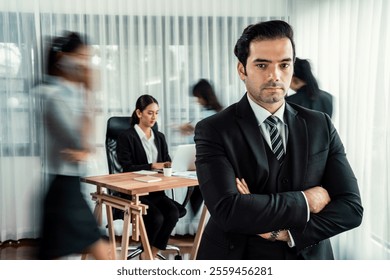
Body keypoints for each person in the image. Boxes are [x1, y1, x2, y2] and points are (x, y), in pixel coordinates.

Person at [194, 20, 363, 260]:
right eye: (262, 65)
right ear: (242, 70)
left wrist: (284, 232)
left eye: (284, 64)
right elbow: (228, 211)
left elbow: (351, 209)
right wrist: (306, 200)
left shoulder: (320, 124)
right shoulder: (213, 129)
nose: (275, 75)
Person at [36, 32, 111, 260]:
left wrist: (85, 149)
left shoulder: (69, 94)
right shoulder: (51, 94)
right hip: (63, 189)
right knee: (104, 254)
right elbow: (81, 141)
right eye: (81, 56)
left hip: (68, 187)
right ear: (62, 57)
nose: (85, 64)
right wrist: (89, 92)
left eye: (88, 58)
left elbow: (87, 146)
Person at [116, 94, 181, 260]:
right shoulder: (126, 137)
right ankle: (147, 257)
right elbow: (127, 168)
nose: (154, 117)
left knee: (173, 213)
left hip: (155, 191)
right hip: (134, 193)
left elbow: (166, 162)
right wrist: (152, 166)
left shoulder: (160, 137)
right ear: (139, 113)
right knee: (156, 217)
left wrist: (172, 165)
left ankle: (148, 255)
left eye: (157, 113)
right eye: (150, 113)